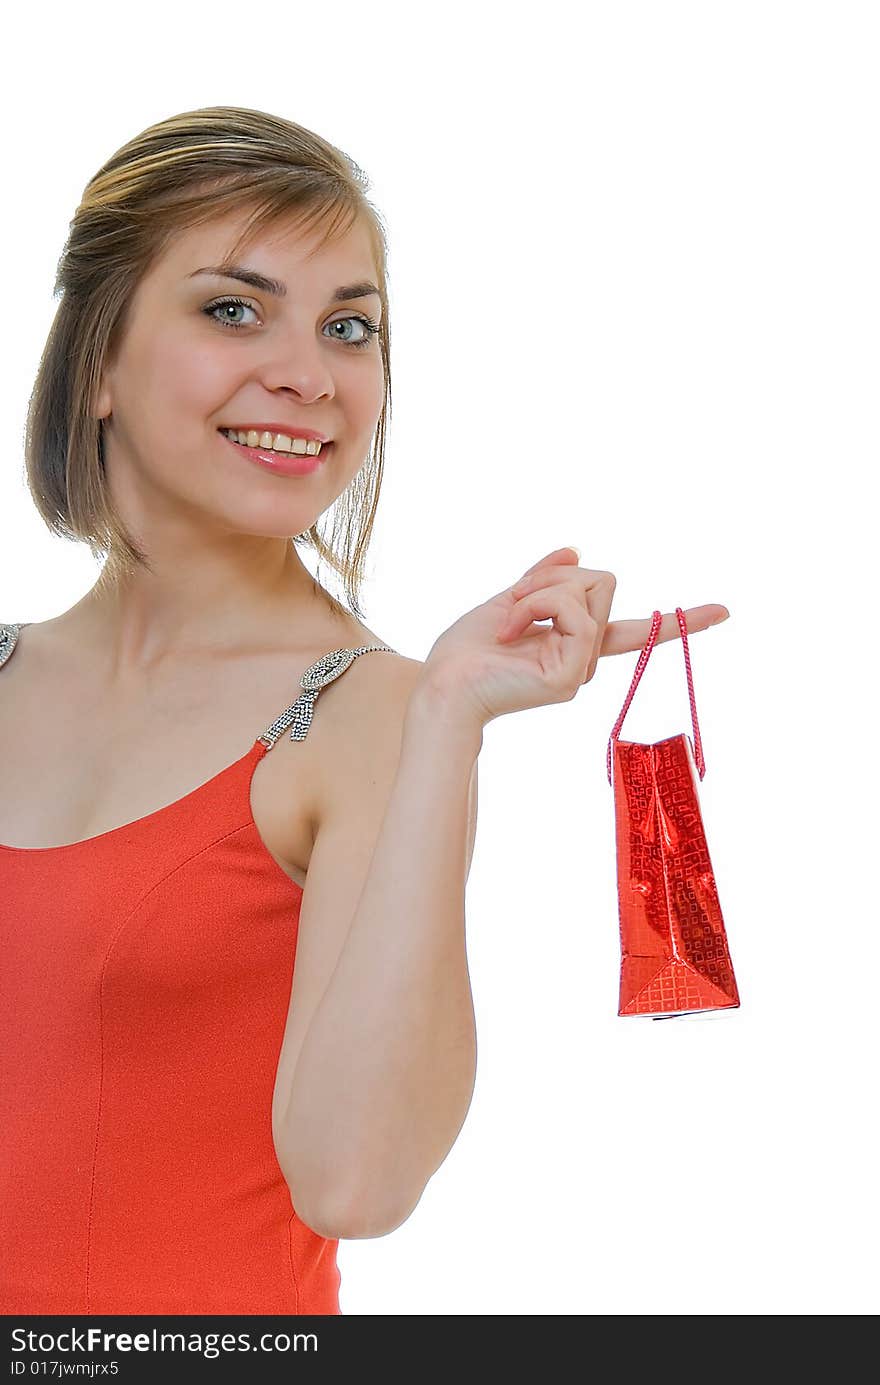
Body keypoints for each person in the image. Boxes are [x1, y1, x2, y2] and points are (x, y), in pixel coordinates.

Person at [0, 105, 729, 1316]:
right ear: (94, 367)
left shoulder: (362, 714)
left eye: (350, 327)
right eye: (234, 307)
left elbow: (356, 1182)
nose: (308, 371)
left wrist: (446, 714)